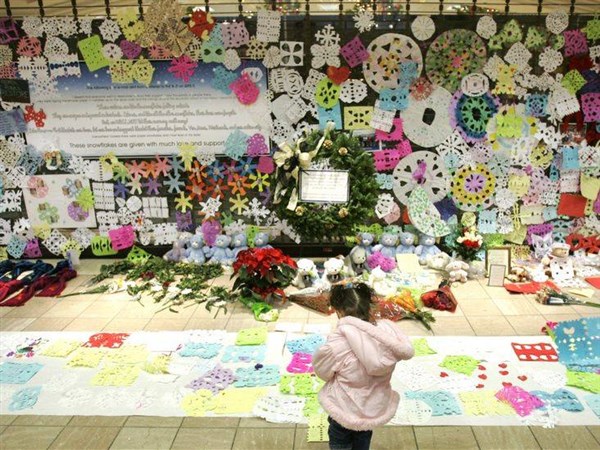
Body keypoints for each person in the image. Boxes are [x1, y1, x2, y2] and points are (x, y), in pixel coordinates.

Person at [313, 282, 414, 450]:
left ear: (338, 311)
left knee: (340, 440)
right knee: (363, 438)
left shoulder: (337, 345)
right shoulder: (387, 337)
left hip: (343, 409)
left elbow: (323, 371)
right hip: (372, 408)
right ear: (370, 308)